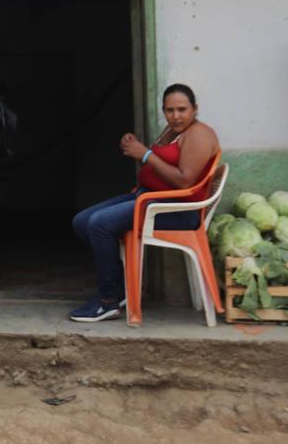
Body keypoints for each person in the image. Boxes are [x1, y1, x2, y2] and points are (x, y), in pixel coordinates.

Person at [68, 83, 220, 322]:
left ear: (195, 109)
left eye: (182, 109)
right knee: (82, 221)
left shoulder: (199, 134)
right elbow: (159, 167)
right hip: (148, 198)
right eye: (170, 110)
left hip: (176, 211)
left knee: (99, 224)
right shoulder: (172, 131)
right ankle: (119, 289)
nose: (176, 116)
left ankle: (108, 301)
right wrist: (136, 149)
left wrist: (146, 155)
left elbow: (183, 180)